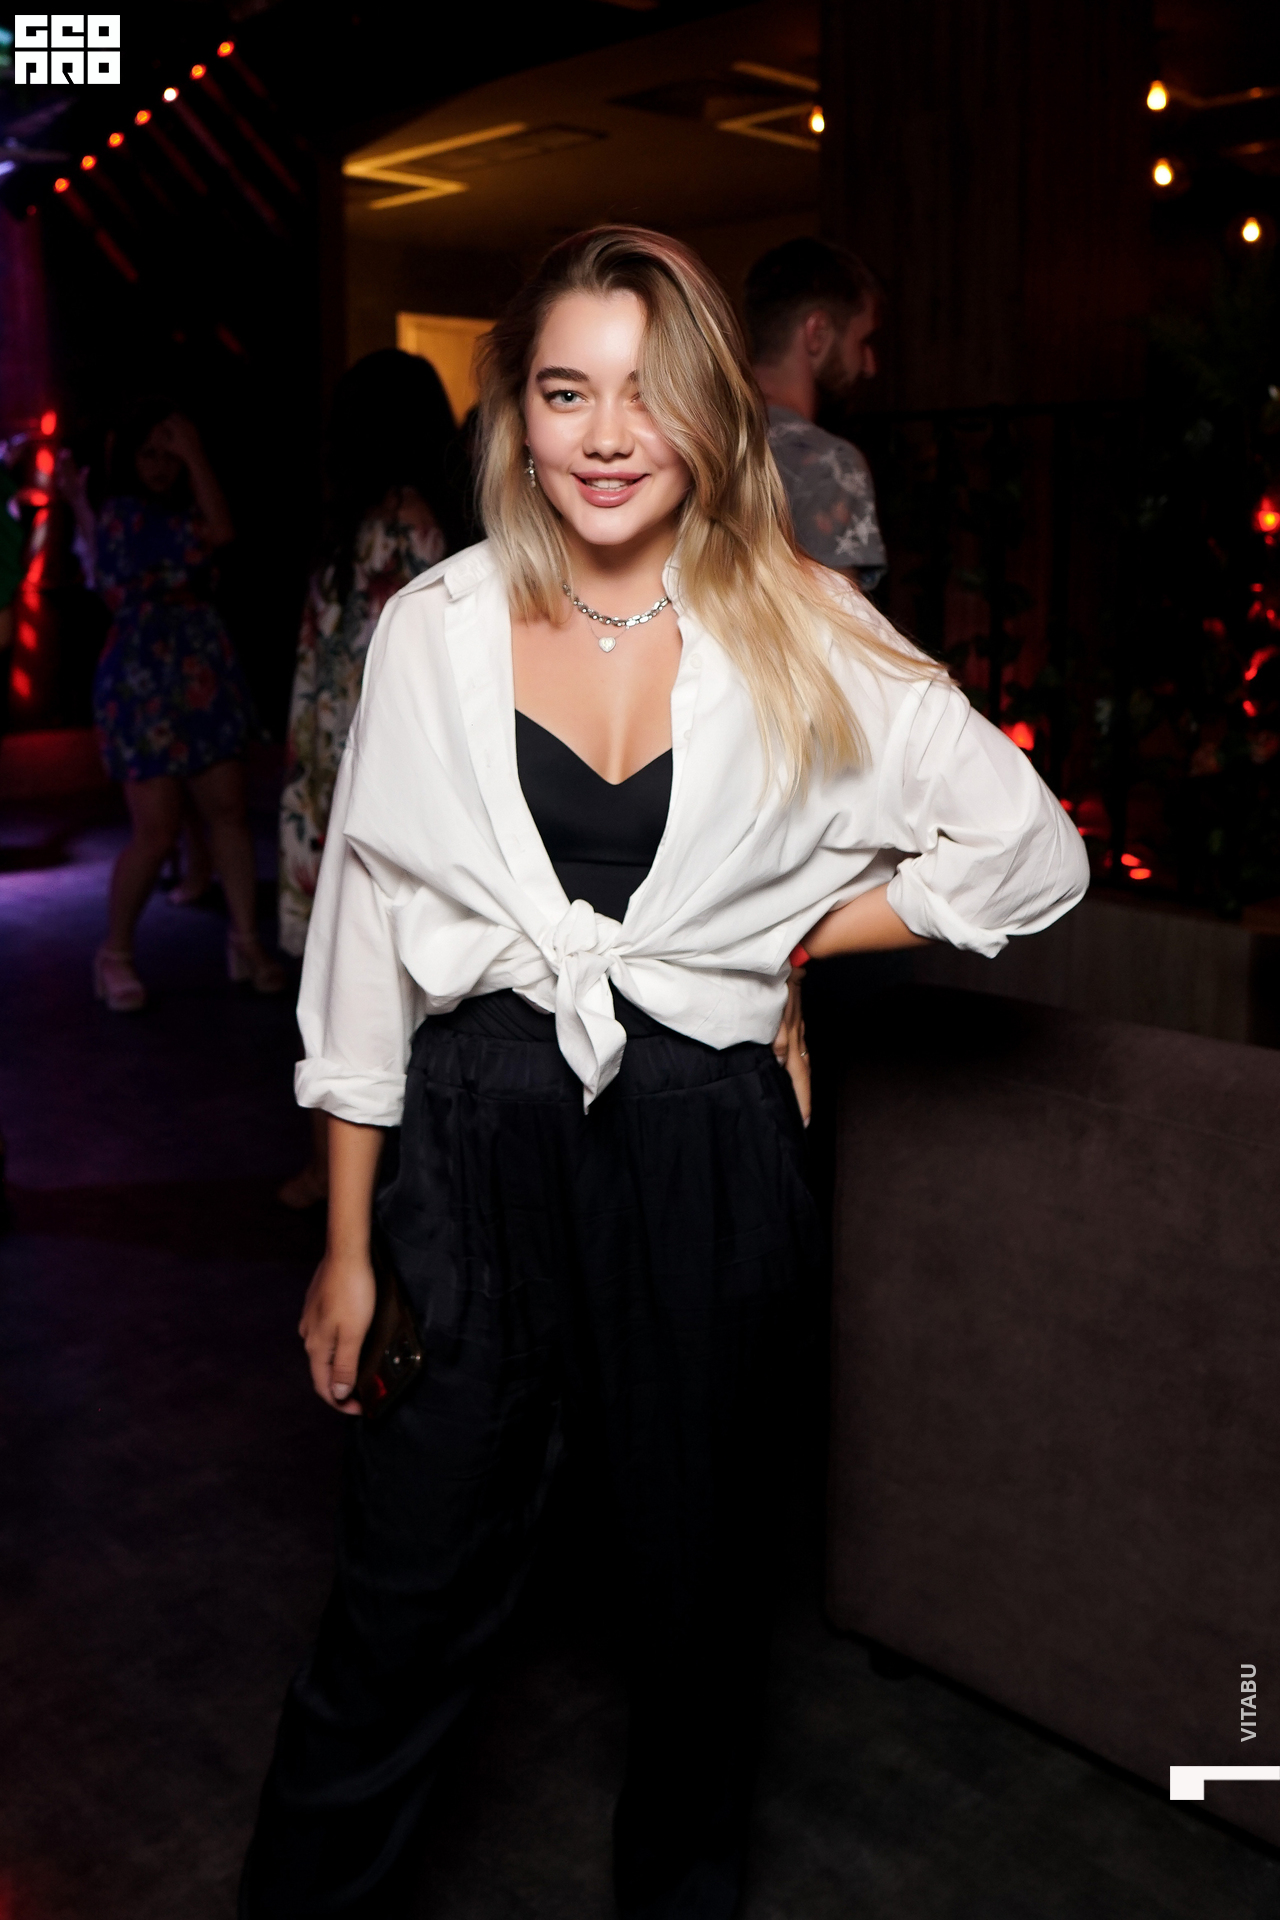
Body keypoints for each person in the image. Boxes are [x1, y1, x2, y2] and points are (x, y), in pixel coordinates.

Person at [239, 226, 1088, 1919]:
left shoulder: (805, 621)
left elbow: (1029, 853)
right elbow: (364, 940)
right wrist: (347, 1242)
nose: (608, 435)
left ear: (711, 411)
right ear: (519, 414)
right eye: (568, 392)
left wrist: (787, 937)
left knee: (697, 1618)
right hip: (473, 1137)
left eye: (648, 392)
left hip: (705, 1143)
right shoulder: (435, 627)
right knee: (400, 1602)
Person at [275, 349, 458, 1208]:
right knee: (375, 988)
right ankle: (361, 1186)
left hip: (341, 773)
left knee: (340, 986)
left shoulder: (376, 527)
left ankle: (340, 1180)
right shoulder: (413, 525)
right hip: (365, 772)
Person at [60, 400, 284, 1010]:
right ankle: (114, 954)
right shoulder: (120, 514)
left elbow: (224, 531)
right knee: (156, 832)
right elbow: (130, 569)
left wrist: (196, 455)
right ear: (131, 460)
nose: (161, 466)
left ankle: (245, 941)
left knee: (229, 812)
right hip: (143, 676)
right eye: (150, 454)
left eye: (171, 454)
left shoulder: (191, 505)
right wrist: (78, 501)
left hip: (201, 663)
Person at [745, 235, 887, 591]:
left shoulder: (700, 436)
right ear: (817, 333)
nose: (869, 365)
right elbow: (839, 622)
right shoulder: (828, 464)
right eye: (862, 342)